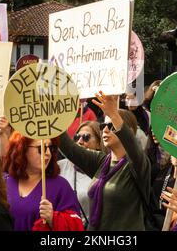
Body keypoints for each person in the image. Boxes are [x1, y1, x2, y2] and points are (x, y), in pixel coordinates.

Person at [59, 91, 151, 231]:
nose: (105, 130)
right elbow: (69, 148)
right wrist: (51, 117)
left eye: (112, 126)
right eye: (103, 126)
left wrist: (114, 114)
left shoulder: (138, 164)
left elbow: (133, 148)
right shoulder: (101, 162)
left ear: (129, 131)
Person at [2, 132, 83, 231]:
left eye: (51, 148)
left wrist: (53, 218)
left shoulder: (61, 186)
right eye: (41, 148)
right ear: (22, 149)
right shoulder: (5, 181)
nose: (48, 153)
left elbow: (76, 225)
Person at [58, 121, 104, 228]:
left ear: (99, 143)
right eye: (77, 137)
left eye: (86, 137)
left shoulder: (104, 170)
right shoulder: (59, 167)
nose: (80, 141)